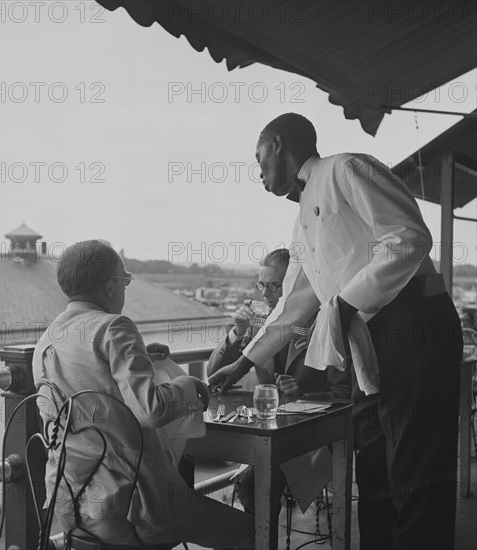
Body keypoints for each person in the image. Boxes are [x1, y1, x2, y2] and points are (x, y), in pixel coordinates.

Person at [209, 114, 463, 550]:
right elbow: (294, 304)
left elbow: (407, 238)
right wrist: (243, 362)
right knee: (376, 472)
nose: (258, 171)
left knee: (417, 470)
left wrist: (345, 302)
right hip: (366, 345)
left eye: (259, 158)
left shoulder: (347, 168)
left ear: (276, 144)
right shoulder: (302, 219)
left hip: (414, 326)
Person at [33, 240, 254, 550]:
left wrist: (142, 360)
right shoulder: (114, 327)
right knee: (248, 531)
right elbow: (150, 410)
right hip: (134, 506)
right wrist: (189, 386)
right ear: (111, 286)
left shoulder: (47, 339)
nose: (125, 289)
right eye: (125, 281)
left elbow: (90, 388)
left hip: (72, 504)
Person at [208, 248, 350, 515]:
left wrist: (305, 395)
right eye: (262, 284)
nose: (265, 293)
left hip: (313, 440)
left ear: (296, 289)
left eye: (275, 285)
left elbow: (344, 394)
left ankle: (253, 539)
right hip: (266, 433)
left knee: (251, 483)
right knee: (245, 474)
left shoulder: (323, 323)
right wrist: (235, 335)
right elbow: (214, 374)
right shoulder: (258, 321)